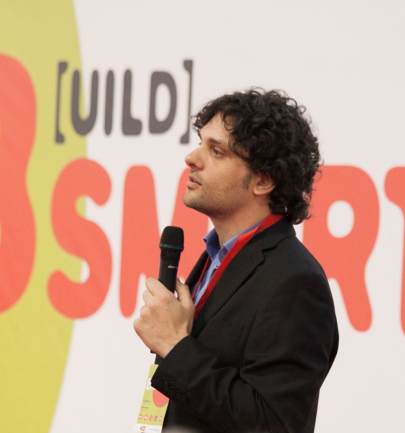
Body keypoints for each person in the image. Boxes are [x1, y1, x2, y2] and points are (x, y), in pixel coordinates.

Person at [133, 88, 339, 433]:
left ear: (263, 180)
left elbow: (274, 424)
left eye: (216, 151)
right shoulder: (214, 259)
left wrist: (174, 345)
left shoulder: (296, 283)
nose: (191, 158)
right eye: (200, 143)